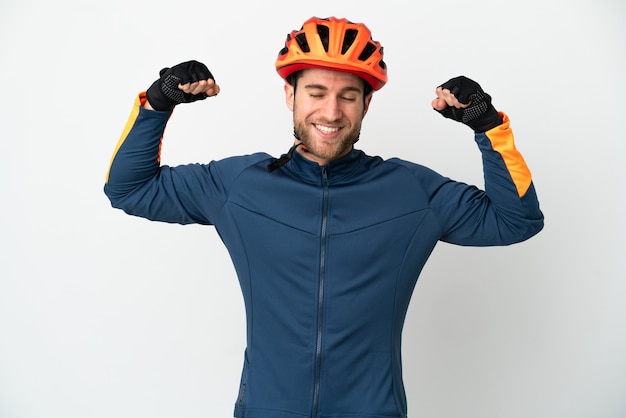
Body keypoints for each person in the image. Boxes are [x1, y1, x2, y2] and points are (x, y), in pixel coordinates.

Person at [104, 16, 543, 418]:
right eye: (316, 93)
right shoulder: (238, 185)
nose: (331, 112)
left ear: (366, 104)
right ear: (290, 94)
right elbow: (128, 188)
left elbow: (516, 220)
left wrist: (487, 126)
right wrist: (158, 104)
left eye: (347, 96)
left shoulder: (412, 192)